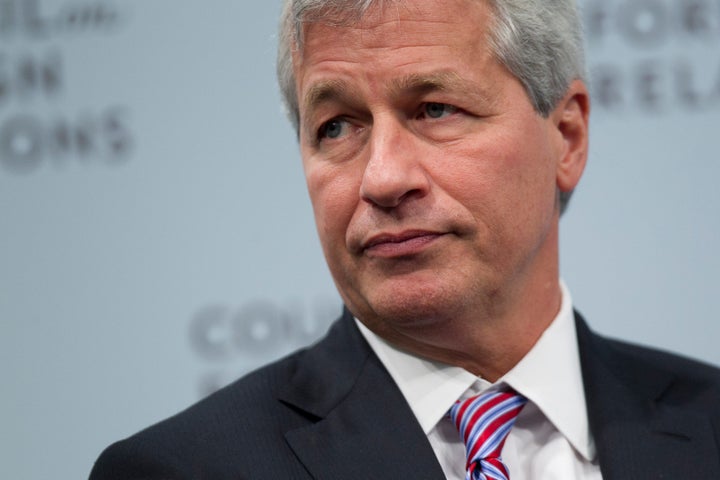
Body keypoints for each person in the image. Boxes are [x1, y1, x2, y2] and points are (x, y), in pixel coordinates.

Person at [90, 0, 720, 478]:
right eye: (337, 127)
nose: (383, 178)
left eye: (434, 109)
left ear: (566, 137)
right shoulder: (184, 469)